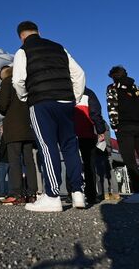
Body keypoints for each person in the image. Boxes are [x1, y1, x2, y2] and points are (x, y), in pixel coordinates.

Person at [12, 21, 87, 213]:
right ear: (38, 31)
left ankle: (53, 196)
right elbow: (79, 74)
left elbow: (18, 80)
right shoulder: (59, 47)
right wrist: (74, 97)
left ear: (21, 35)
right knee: (70, 146)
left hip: (41, 102)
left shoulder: (23, 51)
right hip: (65, 102)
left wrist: (25, 97)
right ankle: (78, 193)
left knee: (47, 146)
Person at [106, 66, 139, 204]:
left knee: (129, 159)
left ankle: (138, 193)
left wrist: (115, 126)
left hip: (125, 126)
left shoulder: (113, 87)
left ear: (113, 76)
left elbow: (112, 107)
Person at [0, 65, 38, 205]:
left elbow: (3, 105)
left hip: (13, 127)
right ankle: (32, 193)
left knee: (14, 161)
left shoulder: (7, 82)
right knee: (29, 161)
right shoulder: (26, 83)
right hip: (27, 127)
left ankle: (16, 194)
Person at [74, 87, 108, 204]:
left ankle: (73, 192)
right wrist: (100, 130)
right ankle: (91, 195)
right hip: (87, 133)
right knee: (89, 165)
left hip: (70, 134)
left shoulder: (64, 90)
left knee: (71, 162)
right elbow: (95, 113)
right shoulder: (89, 93)